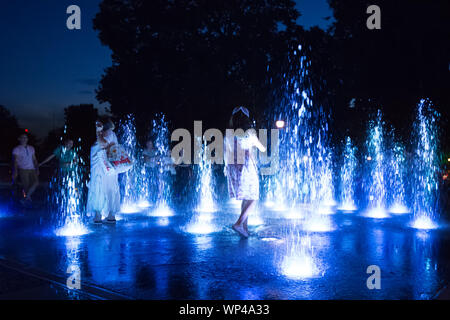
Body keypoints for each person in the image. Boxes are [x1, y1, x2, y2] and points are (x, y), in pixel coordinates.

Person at [224, 106, 266, 238]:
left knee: (246, 198)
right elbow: (263, 149)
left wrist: (226, 168)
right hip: (247, 168)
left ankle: (244, 229)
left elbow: (226, 153)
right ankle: (238, 223)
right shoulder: (250, 134)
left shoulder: (228, 135)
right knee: (253, 197)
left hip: (234, 168)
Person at [86, 119, 120, 224]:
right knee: (110, 188)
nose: (110, 132)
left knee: (99, 188)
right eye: (109, 129)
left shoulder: (105, 136)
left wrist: (98, 132)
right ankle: (110, 215)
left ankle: (99, 215)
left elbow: (103, 144)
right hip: (109, 168)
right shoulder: (111, 135)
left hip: (102, 169)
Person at [12, 134, 39, 206]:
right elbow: (15, 161)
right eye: (22, 137)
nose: (24, 139)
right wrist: (15, 171)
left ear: (27, 139)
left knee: (36, 183)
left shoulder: (31, 148)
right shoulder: (16, 149)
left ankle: (25, 199)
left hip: (32, 169)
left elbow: (34, 159)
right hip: (23, 169)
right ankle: (27, 203)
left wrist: (37, 168)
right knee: (26, 187)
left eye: (26, 138)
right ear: (19, 139)